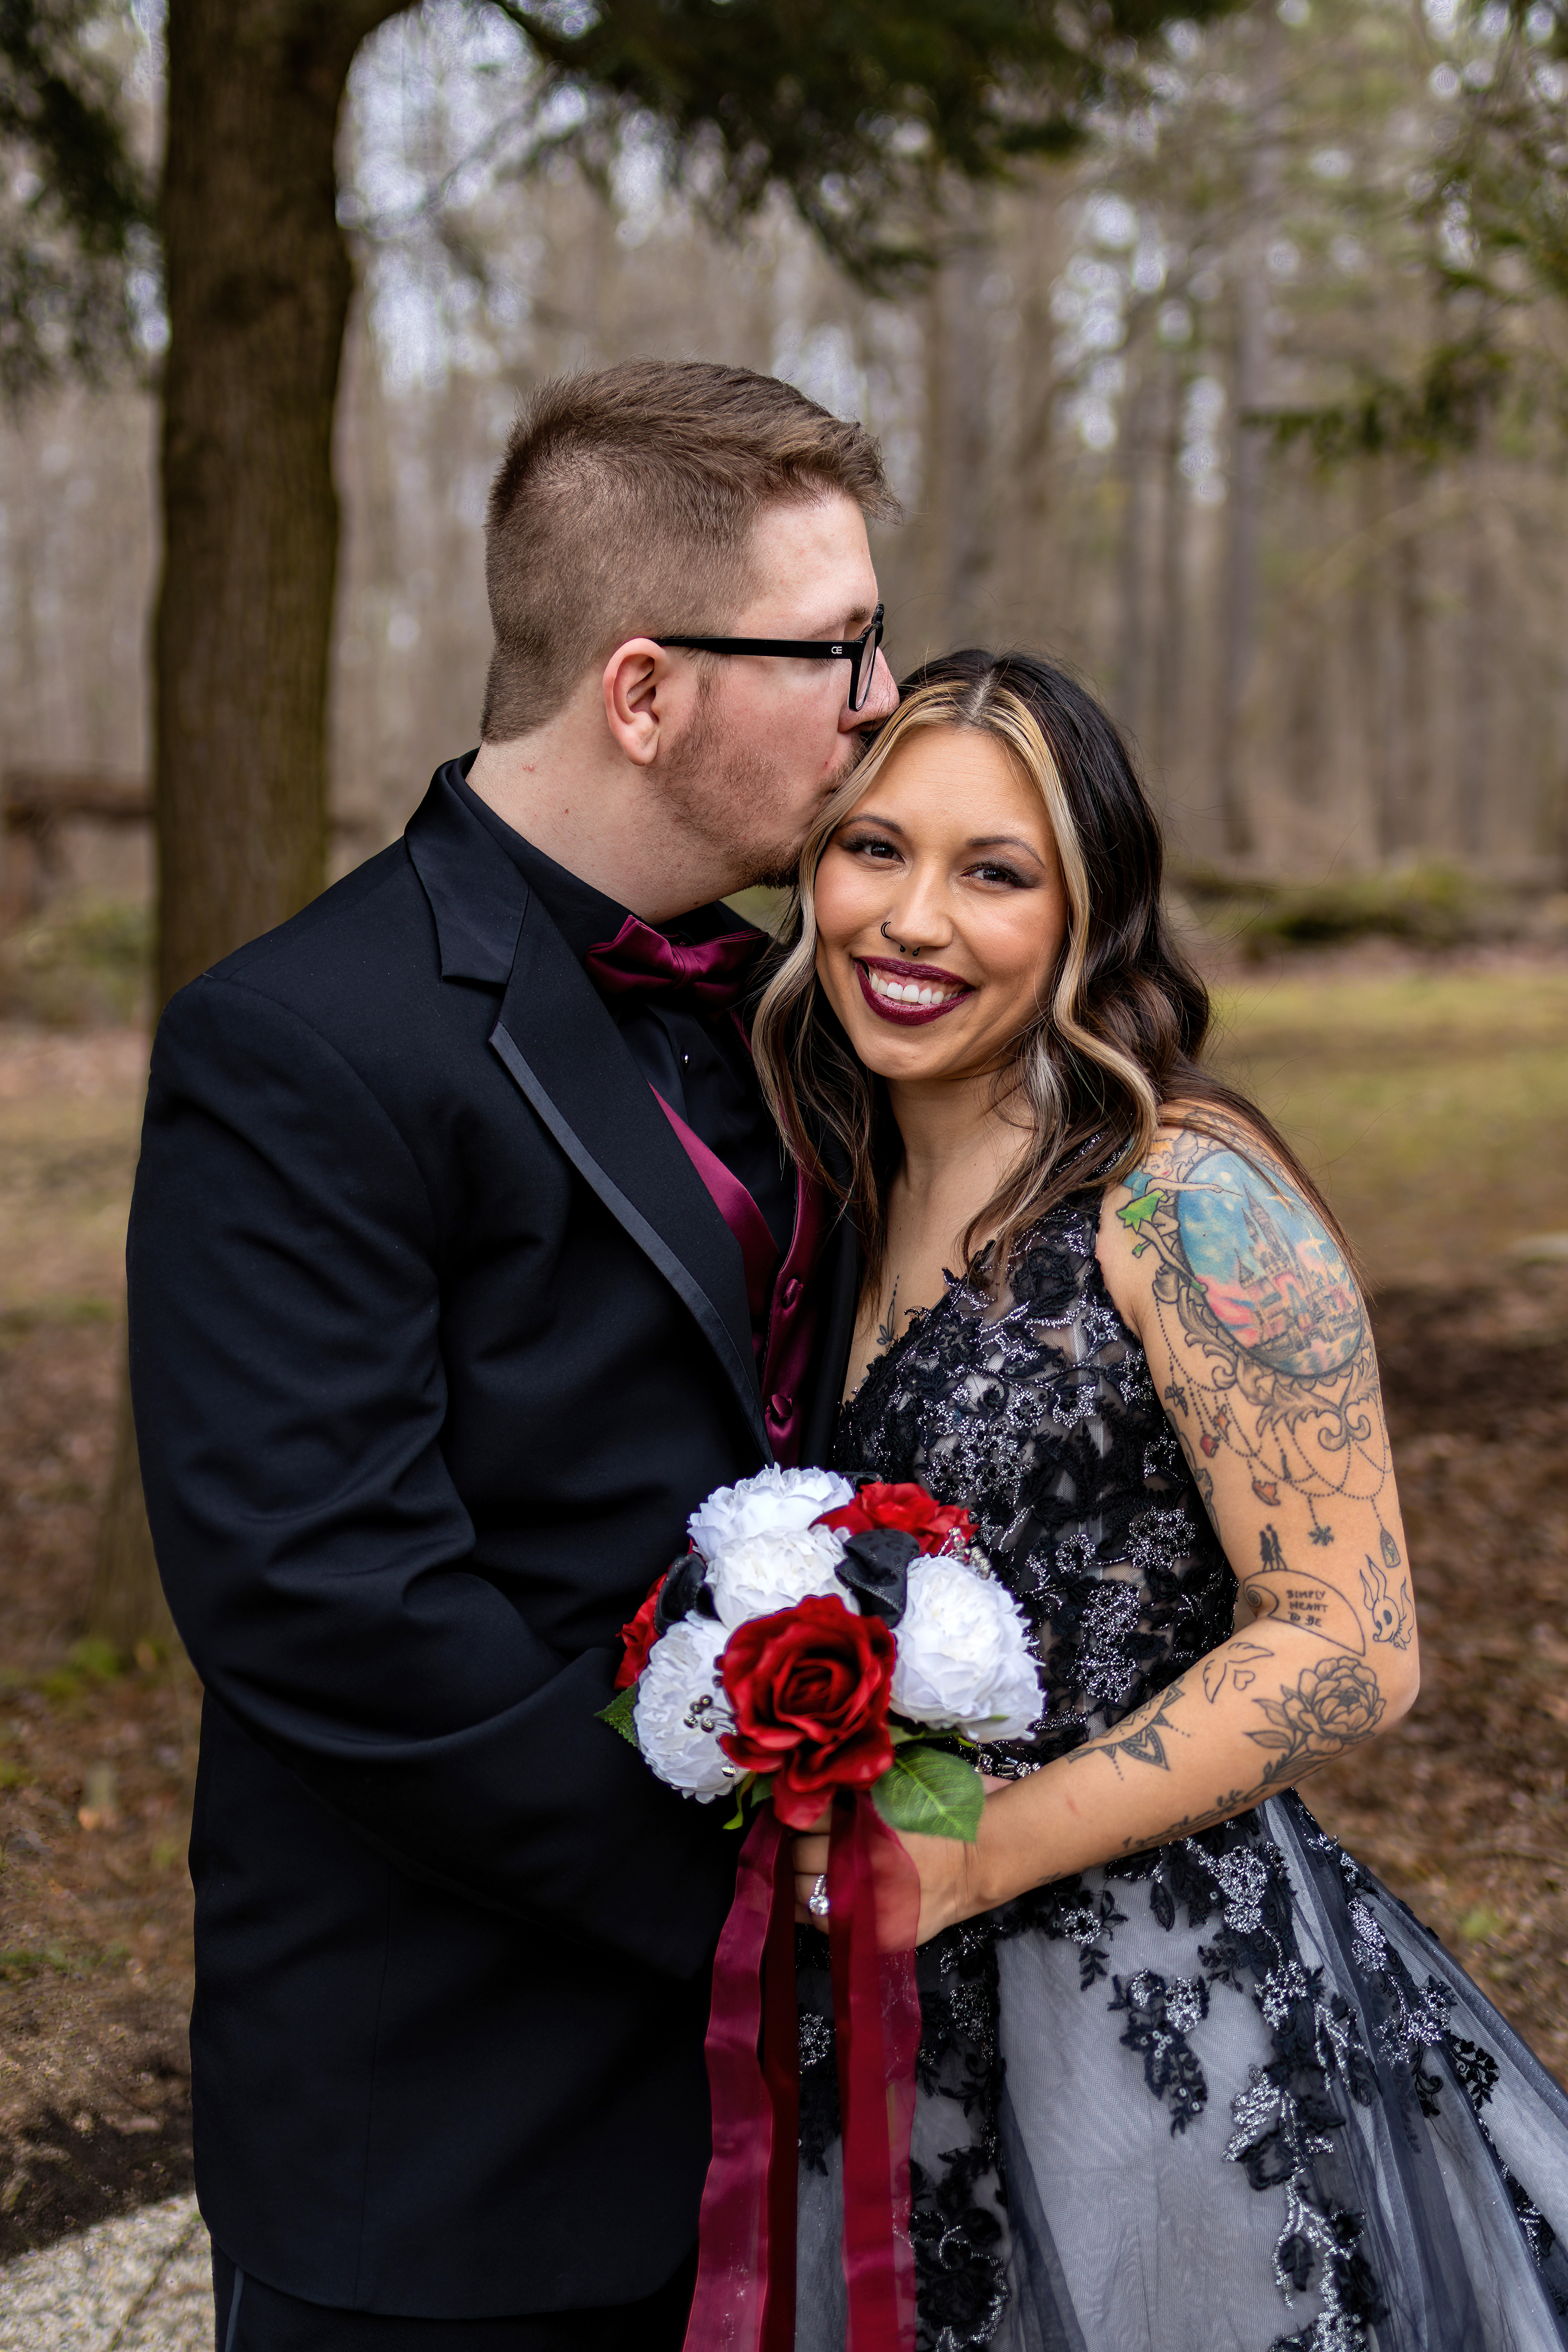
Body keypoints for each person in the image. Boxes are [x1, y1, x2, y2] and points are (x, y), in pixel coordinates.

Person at [125, 358, 900, 2350]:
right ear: (642, 692)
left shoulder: (817, 1008)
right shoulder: (298, 1039)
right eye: (833, 648)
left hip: (805, 2125)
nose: (879, 700)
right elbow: (327, 1599)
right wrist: (740, 1913)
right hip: (454, 2124)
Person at [750, 649, 1568, 2351]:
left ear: (1090, 914)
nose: (909, 920)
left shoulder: (1182, 1195)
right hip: (876, 2022)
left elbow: (1354, 1641)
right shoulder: (820, 1193)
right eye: (874, 848)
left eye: (995, 872)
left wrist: (975, 1855)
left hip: (1161, 2026)